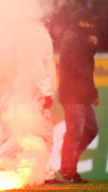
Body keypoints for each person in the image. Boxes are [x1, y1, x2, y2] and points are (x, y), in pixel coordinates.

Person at [57, 8, 99, 183]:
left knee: (89, 130)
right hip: (75, 94)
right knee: (75, 132)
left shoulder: (75, 39)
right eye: (89, 22)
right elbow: (82, 70)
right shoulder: (77, 41)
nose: (92, 26)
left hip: (78, 94)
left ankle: (69, 165)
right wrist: (93, 93)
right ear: (82, 23)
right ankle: (68, 171)